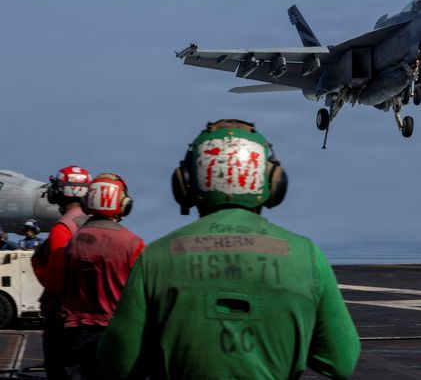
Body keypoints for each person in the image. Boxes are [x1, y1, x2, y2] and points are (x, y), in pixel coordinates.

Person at [98, 119, 360, 379]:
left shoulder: (155, 258)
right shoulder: (307, 256)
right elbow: (341, 362)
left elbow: (116, 364)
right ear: (273, 182)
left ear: (185, 182)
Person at [60, 173, 144, 380]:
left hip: (75, 332)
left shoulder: (74, 240)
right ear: (124, 205)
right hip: (116, 332)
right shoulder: (133, 244)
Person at [31, 165, 91, 380]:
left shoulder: (62, 228)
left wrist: (37, 264)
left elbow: (56, 282)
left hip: (65, 321)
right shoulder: (94, 224)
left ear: (58, 192)